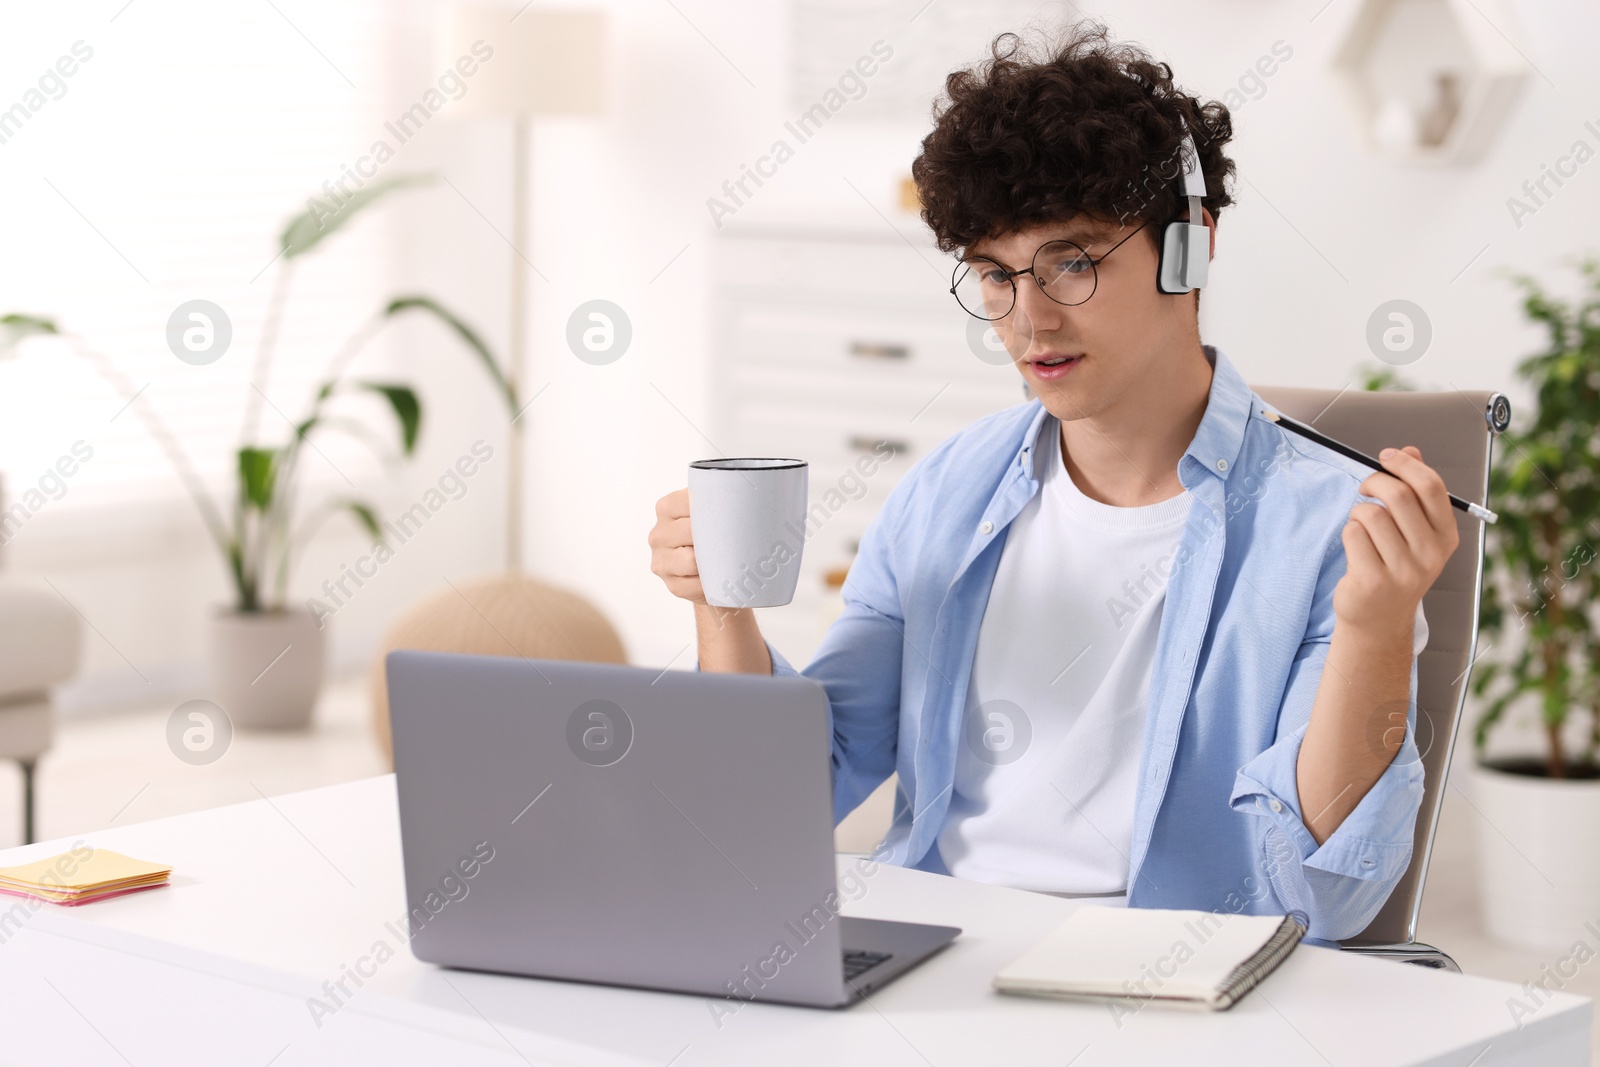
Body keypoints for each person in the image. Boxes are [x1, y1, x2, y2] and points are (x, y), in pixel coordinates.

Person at [648, 23, 1458, 943]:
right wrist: (722, 607)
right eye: (996, 275)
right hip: (936, 957)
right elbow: (784, 805)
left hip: (1166, 982)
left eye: (1073, 262)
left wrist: (1376, 625)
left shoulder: (1324, 528)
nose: (1030, 320)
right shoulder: (947, 491)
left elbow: (1328, 902)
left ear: (1190, 248)